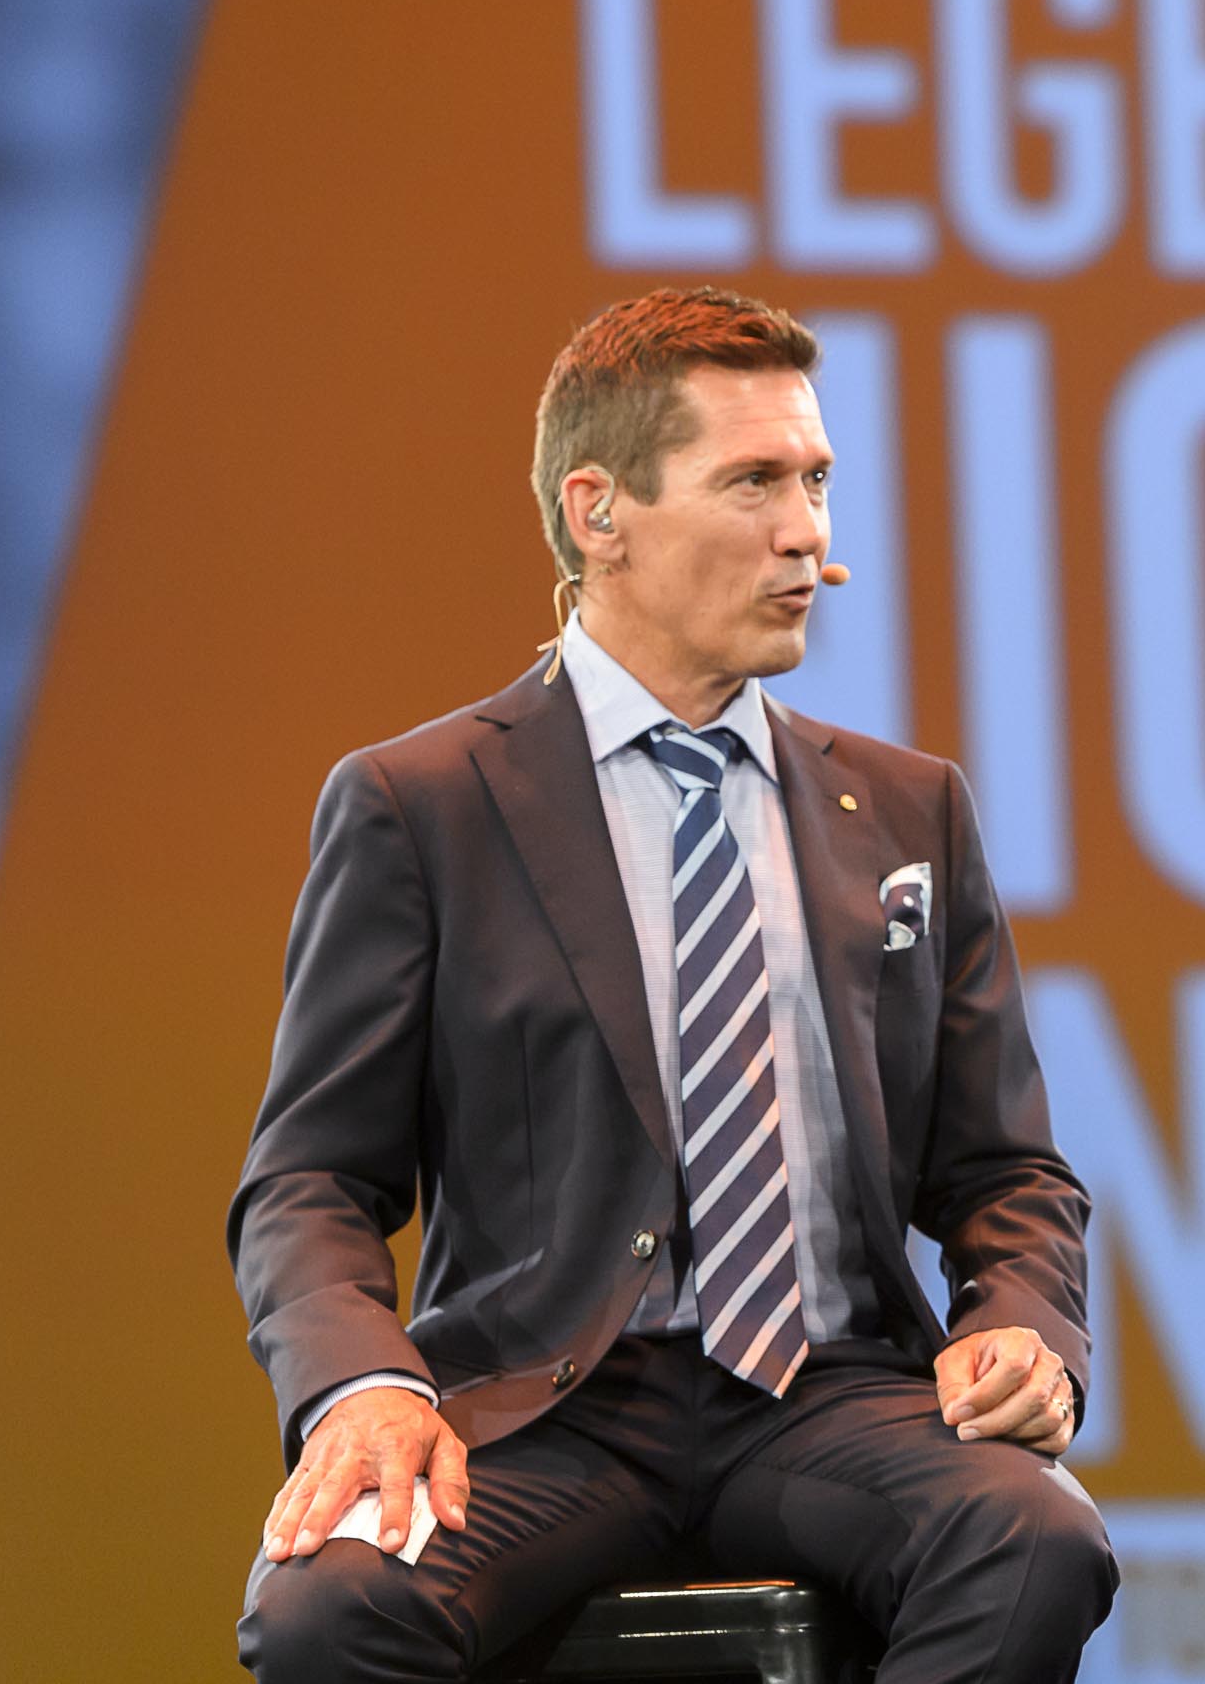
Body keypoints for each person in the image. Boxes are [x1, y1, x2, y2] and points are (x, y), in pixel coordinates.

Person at [229, 287, 1114, 1681]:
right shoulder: (424, 804)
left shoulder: (908, 811)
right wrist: (364, 1385)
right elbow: (310, 1181)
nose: (808, 533)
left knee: (1038, 1542)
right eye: (754, 482)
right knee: (327, 1611)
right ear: (599, 513)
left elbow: (1006, 1167)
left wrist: (1023, 1325)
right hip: (541, 1412)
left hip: (827, 1397)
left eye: (816, 481)